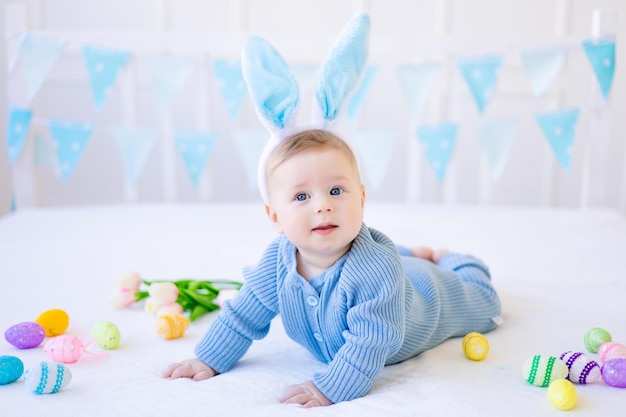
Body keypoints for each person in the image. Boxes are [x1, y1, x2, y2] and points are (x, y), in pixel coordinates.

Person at [164, 128, 502, 407]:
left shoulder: (375, 270)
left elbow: (371, 341)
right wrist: (209, 358)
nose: (323, 205)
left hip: (429, 302)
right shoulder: (278, 261)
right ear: (275, 217)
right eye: (301, 197)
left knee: (482, 301)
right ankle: (410, 253)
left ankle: (454, 259)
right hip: (398, 268)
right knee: (401, 261)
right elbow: (243, 315)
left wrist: (330, 388)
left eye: (336, 190)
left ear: (362, 199)